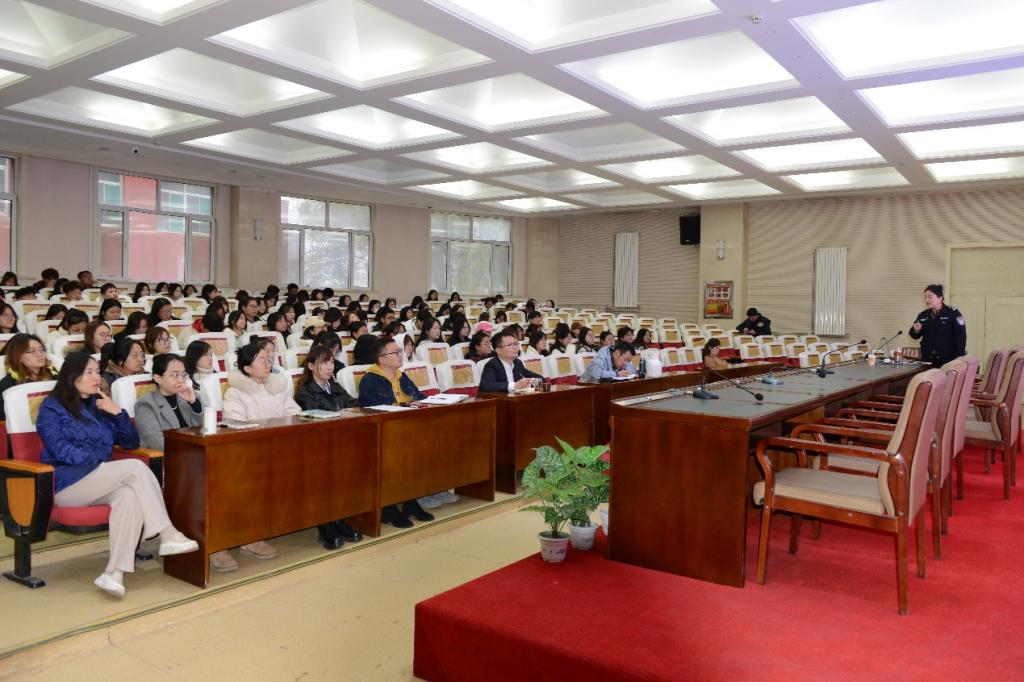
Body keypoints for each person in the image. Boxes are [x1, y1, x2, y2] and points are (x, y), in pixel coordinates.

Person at [36, 352, 198, 597]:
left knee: (128, 497)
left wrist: (118, 413)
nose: (96, 377)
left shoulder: (100, 404)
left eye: (97, 372)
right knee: (135, 468)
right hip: (66, 482)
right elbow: (59, 449)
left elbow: (130, 442)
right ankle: (167, 533)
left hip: (99, 479)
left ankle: (113, 574)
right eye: (89, 372)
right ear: (72, 376)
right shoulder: (51, 407)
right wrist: (98, 462)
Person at [218, 342, 302, 565]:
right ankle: (249, 538)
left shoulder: (276, 388)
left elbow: (295, 414)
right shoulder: (235, 393)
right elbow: (235, 427)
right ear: (247, 368)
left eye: (269, 359)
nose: (268, 363)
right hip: (249, 454)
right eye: (262, 360)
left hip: (280, 448)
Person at [292, 346, 363, 550]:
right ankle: (326, 525)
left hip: (341, 442)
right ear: (311, 366)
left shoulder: (335, 386)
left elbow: (352, 404)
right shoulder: (305, 392)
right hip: (318, 447)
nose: (329, 367)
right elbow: (317, 418)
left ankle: (339, 519)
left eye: (331, 362)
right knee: (325, 479)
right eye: (323, 363)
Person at [357, 338, 432, 528]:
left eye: (399, 351)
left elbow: (420, 398)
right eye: (395, 352)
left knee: (419, 453)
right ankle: (389, 508)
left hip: (407, 429)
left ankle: (410, 502)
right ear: (382, 359)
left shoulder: (402, 376)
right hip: (384, 434)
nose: (400, 355)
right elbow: (369, 412)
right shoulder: (369, 380)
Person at [134, 353, 202, 452]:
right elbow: (157, 443)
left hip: (196, 450)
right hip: (169, 456)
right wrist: (192, 448)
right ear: (158, 378)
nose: (181, 380)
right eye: (175, 375)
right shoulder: (146, 405)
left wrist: (194, 403)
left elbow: (207, 430)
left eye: (183, 375)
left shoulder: (191, 396)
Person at [0, 334, 57, 420]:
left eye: (42, 350)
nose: (40, 354)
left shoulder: (55, 375)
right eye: (32, 351)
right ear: (18, 357)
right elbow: (3, 413)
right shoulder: (8, 383)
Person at [909, 284, 967, 367]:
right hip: (927, 360)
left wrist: (959, 359)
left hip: (947, 361)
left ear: (940, 298)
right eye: (925, 297)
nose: (927, 300)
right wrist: (915, 330)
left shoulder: (953, 313)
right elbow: (914, 336)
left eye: (930, 297)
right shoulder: (923, 315)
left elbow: (961, 337)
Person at [479, 330, 544, 393]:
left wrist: (532, 381)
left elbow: (542, 379)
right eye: (510, 345)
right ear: (498, 350)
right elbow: (485, 386)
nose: (515, 348)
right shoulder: (492, 365)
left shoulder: (517, 363)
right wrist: (515, 385)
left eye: (515, 344)